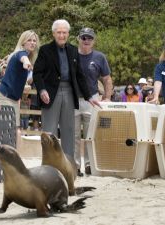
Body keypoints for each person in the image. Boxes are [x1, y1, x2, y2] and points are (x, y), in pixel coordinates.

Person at [33, 19, 100, 159]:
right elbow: (37, 73)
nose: (61, 35)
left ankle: (68, 164)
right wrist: (42, 90)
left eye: (64, 32)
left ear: (68, 34)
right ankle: (48, 162)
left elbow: (79, 75)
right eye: (59, 32)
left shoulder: (73, 50)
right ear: (53, 33)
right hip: (50, 93)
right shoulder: (45, 50)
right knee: (49, 131)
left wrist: (89, 97)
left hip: (69, 92)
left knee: (68, 130)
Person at [74, 27, 113, 176]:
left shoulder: (99, 57)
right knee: (74, 136)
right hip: (73, 100)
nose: (86, 41)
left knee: (91, 135)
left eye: (89, 38)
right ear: (78, 38)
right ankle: (76, 166)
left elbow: (107, 79)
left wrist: (107, 97)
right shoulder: (71, 55)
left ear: (93, 40)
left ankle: (90, 165)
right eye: (83, 38)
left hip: (93, 100)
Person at [0, 30, 39, 128]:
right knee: (7, 130)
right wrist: (26, 62)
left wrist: (24, 86)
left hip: (14, 99)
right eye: (29, 40)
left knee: (15, 130)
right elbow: (23, 58)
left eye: (34, 41)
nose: (32, 43)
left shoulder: (24, 55)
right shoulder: (21, 53)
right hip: (4, 97)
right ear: (23, 42)